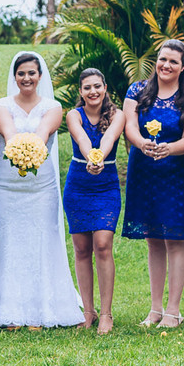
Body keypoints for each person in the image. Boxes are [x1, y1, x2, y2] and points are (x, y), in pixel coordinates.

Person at [0, 52, 83, 328]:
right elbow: (9, 134)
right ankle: (9, 312)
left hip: (41, 187)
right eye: (21, 73)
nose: (26, 78)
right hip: (6, 188)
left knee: (40, 242)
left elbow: (43, 134)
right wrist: (19, 150)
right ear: (15, 77)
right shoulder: (1, 106)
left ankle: (39, 313)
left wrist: (31, 150)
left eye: (31, 73)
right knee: (9, 244)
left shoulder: (53, 106)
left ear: (40, 76)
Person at [121, 39, 184, 328]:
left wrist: (170, 149)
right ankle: (155, 308)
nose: (166, 65)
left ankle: (173, 310)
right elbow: (129, 126)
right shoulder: (136, 91)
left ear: (182, 68)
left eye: (173, 62)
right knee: (152, 239)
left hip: (177, 172)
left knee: (175, 239)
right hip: (144, 170)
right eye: (162, 59)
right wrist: (142, 142)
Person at [63, 68, 125, 335]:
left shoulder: (117, 114)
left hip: (106, 185)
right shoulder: (73, 115)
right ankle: (88, 311)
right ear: (80, 91)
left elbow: (109, 138)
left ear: (105, 87)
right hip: (78, 183)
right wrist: (91, 157)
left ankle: (107, 313)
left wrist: (99, 159)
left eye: (97, 86)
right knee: (81, 249)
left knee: (102, 244)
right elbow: (82, 138)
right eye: (87, 88)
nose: (93, 92)